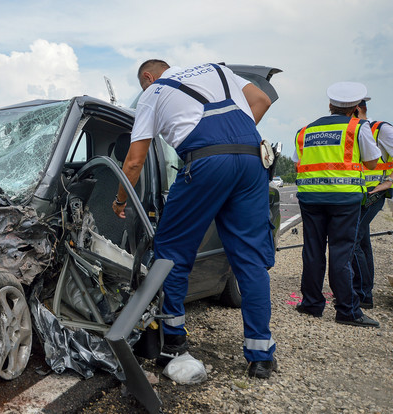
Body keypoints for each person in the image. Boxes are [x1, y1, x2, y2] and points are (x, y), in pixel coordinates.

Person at [112, 60, 277, 378]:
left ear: (148, 77)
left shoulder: (154, 92)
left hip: (205, 163)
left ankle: (173, 342)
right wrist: (233, 146)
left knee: (171, 253)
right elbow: (262, 101)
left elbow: (134, 161)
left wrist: (120, 201)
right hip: (252, 160)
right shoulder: (218, 70)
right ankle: (261, 358)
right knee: (250, 262)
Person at [293, 81, 380, 328]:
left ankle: (311, 304)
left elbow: (299, 161)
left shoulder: (305, 131)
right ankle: (347, 311)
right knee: (342, 253)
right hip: (344, 199)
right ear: (354, 107)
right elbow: (373, 163)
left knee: (312, 251)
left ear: (330, 106)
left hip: (311, 198)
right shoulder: (358, 127)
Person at [352, 97, 393, 309]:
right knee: (363, 241)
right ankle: (365, 294)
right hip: (359, 192)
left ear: (357, 109)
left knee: (354, 238)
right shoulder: (354, 130)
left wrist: (388, 184)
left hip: (375, 191)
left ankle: (361, 295)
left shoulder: (382, 129)